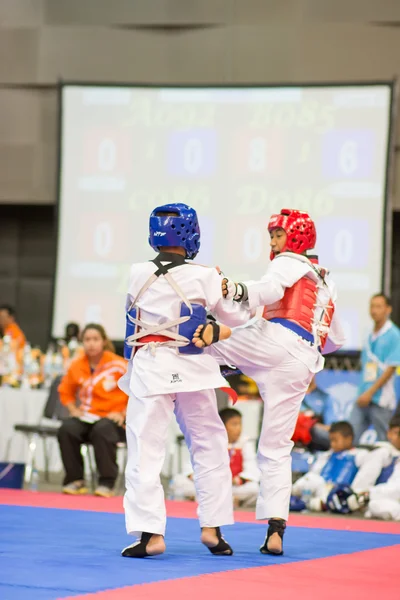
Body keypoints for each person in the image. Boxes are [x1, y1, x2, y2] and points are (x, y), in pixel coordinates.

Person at [206, 208, 345, 555]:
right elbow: (336, 339)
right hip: (302, 361)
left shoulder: (289, 261)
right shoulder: (325, 279)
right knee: (276, 448)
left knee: (205, 339)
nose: (273, 241)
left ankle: (196, 375)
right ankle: (275, 530)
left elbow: (266, 291)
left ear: (296, 238)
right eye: (271, 235)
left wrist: (231, 288)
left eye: (278, 235)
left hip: (277, 341)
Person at [119, 203, 251, 559]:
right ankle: (213, 529)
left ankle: (150, 535)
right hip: (193, 368)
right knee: (208, 443)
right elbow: (236, 316)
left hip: (149, 366)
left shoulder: (135, 272)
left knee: (145, 451)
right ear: (192, 234)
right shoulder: (205, 275)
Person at [57, 323, 128, 497]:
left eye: (95, 339)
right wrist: (73, 409)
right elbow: (65, 391)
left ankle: (106, 482)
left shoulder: (118, 364)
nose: (91, 344)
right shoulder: (77, 364)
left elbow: (136, 392)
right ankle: (76, 480)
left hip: (115, 421)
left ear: (104, 341)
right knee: (67, 429)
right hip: (88, 417)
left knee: (102, 429)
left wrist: (122, 413)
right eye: (87, 339)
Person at [172, 407, 260, 508]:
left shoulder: (244, 442)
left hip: (232, 486)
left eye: (240, 424)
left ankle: (209, 500)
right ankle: (225, 501)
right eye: (234, 424)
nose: (238, 428)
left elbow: (251, 468)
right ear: (222, 426)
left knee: (254, 489)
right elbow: (190, 466)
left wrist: (235, 480)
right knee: (178, 482)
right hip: (209, 484)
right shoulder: (209, 440)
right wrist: (206, 480)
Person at [350, 294, 400, 443]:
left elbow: (391, 369)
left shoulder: (394, 335)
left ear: (388, 309)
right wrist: (363, 392)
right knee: (350, 436)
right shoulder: (367, 333)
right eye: (372, 306)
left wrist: (370, 393)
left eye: (378, 306)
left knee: (386, 441)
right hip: (363, 395)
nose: (374, 310)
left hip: (381, 399)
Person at [326, 416, 400, 515]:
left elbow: (396, 489)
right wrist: (359, 495)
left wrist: (369, 494)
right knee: (376, 506)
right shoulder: (383, 451)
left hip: (384, 496)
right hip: (383, 498)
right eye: (397, 433)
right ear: (389, 433)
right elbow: (366, 478)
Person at [291, 421, 368, 511]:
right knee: (311, 478)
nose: (332, 444)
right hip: (320, 489)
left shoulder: (359, 455)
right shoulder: (327, 455)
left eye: (335, 440)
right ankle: (291, 494)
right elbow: (314, 474)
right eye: (331, 440)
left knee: (314, 484)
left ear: (349, 439)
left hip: (339, 492)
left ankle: (312, 503)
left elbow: (362, 479)